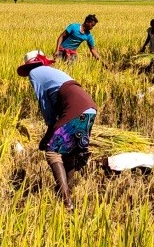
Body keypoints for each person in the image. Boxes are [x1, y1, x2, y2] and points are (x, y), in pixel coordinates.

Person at [18, 50, 97, 210]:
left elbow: (44, 104)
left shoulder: (35, 73)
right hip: (89, 107)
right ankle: (68, 192)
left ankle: (66, 200)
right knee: (69, 152)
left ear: (30, 66)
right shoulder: (51, 71)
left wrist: (48, 132)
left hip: (75, 107)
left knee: (52, 151)